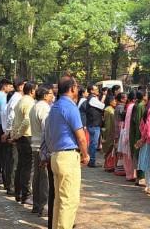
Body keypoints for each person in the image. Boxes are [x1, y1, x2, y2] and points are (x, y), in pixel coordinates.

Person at [43, 76, 89, 229]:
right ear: (72, 89)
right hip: (67, 156)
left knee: (59, 200)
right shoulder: (70, 107)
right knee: (69, 201)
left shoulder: (54, 107)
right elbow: (81, 137)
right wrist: (86, 154)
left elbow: (48, 134)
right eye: (76, 86)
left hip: (56, 155)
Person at [30, 85, 53, 217]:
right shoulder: (44, 108)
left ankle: (36, 204)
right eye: (50, 93)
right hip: (41, 147)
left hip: (35, 145)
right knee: (44, 179)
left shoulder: (35, 106)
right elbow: (46, 130)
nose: (52, 96)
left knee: (38, 177)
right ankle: (43, 206)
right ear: (45, 96)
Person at [12, 81, 37, 204]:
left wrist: (15, 134)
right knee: (27, 167)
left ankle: (19, 193)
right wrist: (18, 134)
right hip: (26, 136)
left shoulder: (20, 101)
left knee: (21, 166)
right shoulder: (29, 102)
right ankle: (26, 194)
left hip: (21, 137)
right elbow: (27, 121)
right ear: (32, 90)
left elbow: (15, 120)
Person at [2, 79, 24, 196]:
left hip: (12, 131)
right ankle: (11, 186)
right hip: (14, 133)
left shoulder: (15, 98)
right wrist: (9, 132)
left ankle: (9, 184)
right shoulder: (17, 99)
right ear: (20, 87)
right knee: (14, 161)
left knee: (11, 160)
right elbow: (11, 117)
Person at [135, 91, 150, 195]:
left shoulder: (148, 108)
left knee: (147, 163)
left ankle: (149, 185)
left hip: (146, 139)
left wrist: (142, 138)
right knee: (149, 164)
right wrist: (146, 137)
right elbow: (149, 127)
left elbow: (142, 125)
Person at [80, 85, 105, 168]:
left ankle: (91, 160)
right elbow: (102, 106)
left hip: (92, 124)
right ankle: (92, 161)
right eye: (96, 89)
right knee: (93, 144)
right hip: (94, 124)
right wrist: (104, 97)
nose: (98, 90)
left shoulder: (92, 98)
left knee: (92, 143)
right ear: (91, 91)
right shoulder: (92, 99)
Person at [118, 92, 136, 182]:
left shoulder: (128, 106)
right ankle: (131, 174)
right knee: (129, 155)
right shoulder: (132, 106)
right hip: (128, 132)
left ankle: (129, 174)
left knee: (126, 155)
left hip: (125, 131)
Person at [101, 96, 117, 172]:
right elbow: (108, 124)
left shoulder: (111, 109)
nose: (115, 102)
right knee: (109, 149)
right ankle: (107, 165)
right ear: (110, 101)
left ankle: (108, 165)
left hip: (111, 132)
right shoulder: (109, 110)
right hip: (109, 132)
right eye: (114, 101)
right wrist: (108, 134)